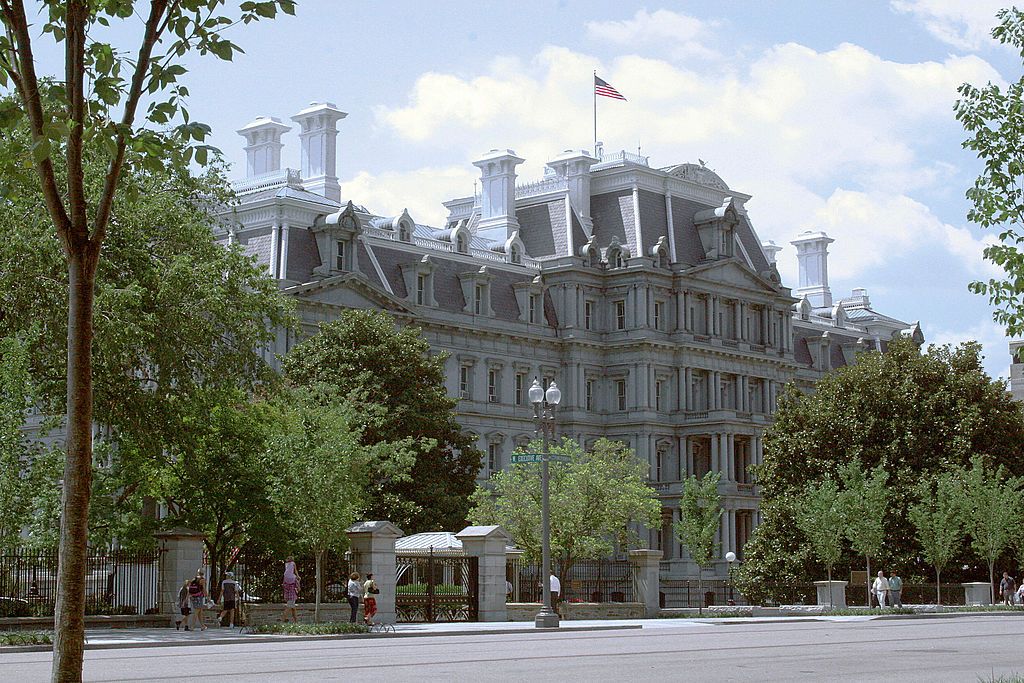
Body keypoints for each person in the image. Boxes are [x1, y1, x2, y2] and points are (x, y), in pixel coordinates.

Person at [281, 556, 300, 623]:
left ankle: (296, 622)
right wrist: (298, 577)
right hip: (292, 596)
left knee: (293, 609)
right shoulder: (294, 578)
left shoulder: (285, 578)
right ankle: (282, 621)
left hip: (287, 595)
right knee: (289, 607)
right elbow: (296, 570)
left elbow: (284, 587)